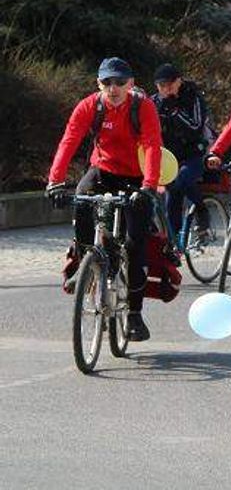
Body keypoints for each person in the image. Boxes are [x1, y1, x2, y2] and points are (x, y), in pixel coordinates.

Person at [46, 57, 163, 342]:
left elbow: (152, 144)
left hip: (136, 177)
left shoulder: (143, 106)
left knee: (136, 244)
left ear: (131, 84)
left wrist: (148, 186)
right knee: (82, 202)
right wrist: (55, 180)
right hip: (103, 170)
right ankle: (85, 262)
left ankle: (134, 314)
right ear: (98, 84)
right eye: (107, 82)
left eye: (120, 82)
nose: (113, 88)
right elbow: (69, 139)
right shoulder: (90, 106)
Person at [151, 63, 213, 243]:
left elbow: (195, 127)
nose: (166, 90)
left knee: (182, 179)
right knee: (172, 194)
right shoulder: (155, 101)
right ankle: (173, 241)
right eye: (161, 86)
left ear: (179, 81)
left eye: (169, 85)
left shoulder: (193, 98)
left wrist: (175, 112)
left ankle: (201, 210)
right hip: (168, 157)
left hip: (193, 154)